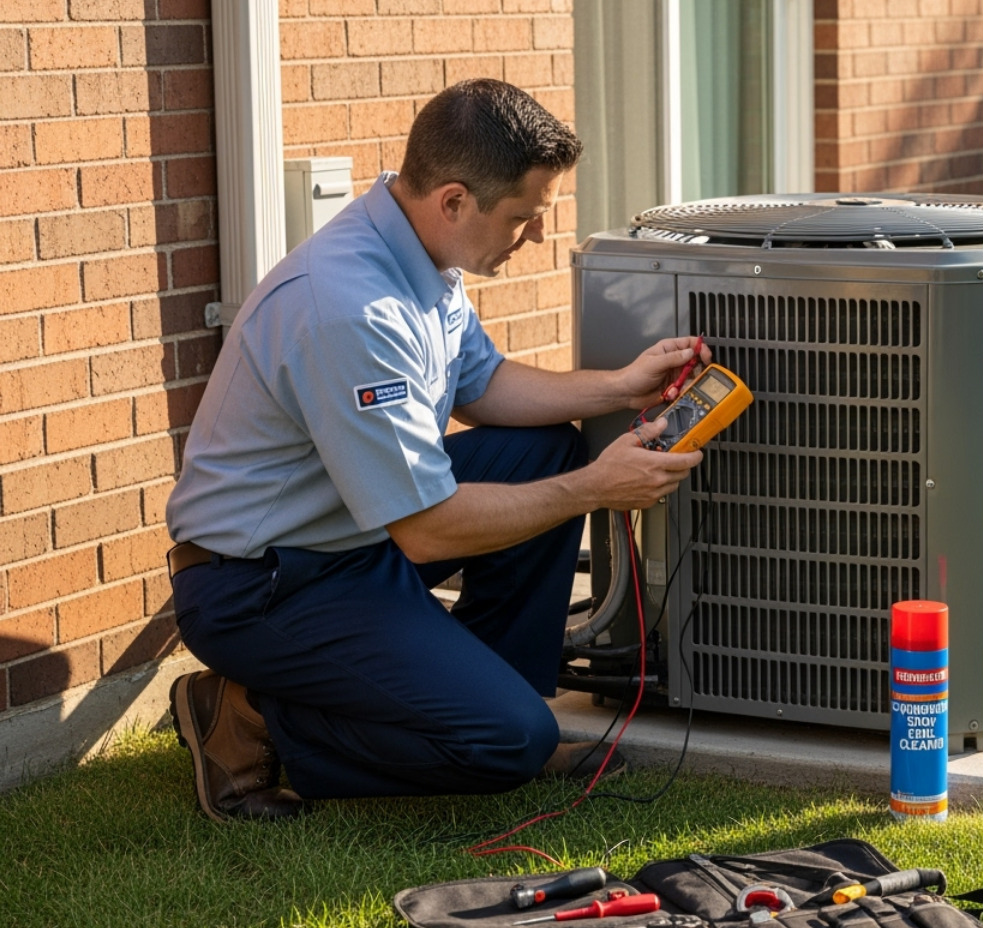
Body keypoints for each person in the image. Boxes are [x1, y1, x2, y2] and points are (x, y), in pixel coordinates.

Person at [163, 79, 708, 822]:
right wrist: (598, 487)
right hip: (262, 587)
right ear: (454, 201)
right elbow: (427, 532)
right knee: (505, 743)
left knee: (542, 449)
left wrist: (618, 387)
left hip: (351, 542)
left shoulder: (422, 258)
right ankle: (249, 714)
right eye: (524, 217)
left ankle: (500, 688)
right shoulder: (351, 309)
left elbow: (481, 386)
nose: (536, 236)